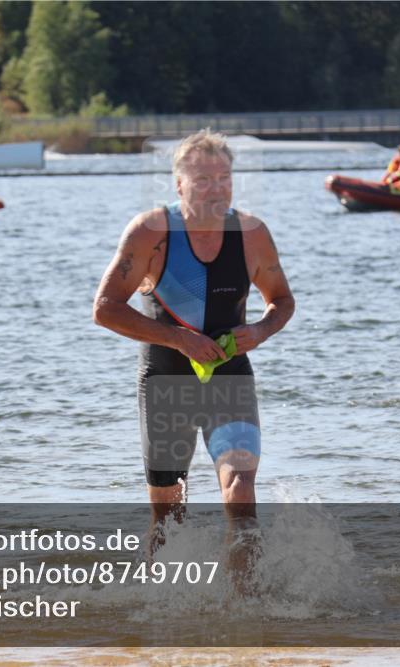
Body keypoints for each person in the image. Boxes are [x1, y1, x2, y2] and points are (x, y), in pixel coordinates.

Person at [93, 129, 295, 573]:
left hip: (229, 377)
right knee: (170, 514)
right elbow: (105, 309)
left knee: (241, 490)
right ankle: (161, 608)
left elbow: (282, 300)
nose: (216, 187)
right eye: (202, 179)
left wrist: (260, 331)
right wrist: (180, 339)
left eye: (224, 177)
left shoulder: (252, 234)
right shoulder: (151, 233)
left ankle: (249, 607)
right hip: (166, 380)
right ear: (179, 184)